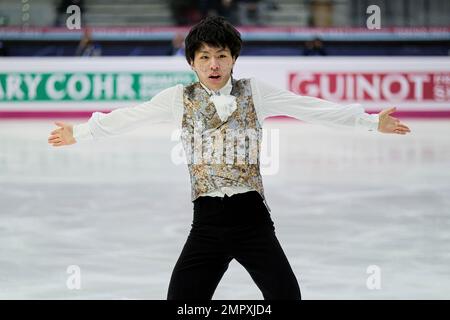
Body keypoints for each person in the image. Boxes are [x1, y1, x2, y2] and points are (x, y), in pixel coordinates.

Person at [47, 16, 411, 300]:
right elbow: (129, 117)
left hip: (252, 219)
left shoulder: (257, 93)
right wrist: (79, 133)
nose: (214, 64)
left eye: (221, 55)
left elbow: (309, 108)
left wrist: (367, 122)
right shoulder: (178, 98)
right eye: (204, 56)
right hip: (205, 223)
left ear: (234, 58)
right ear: (191, 61)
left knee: (286, 297)